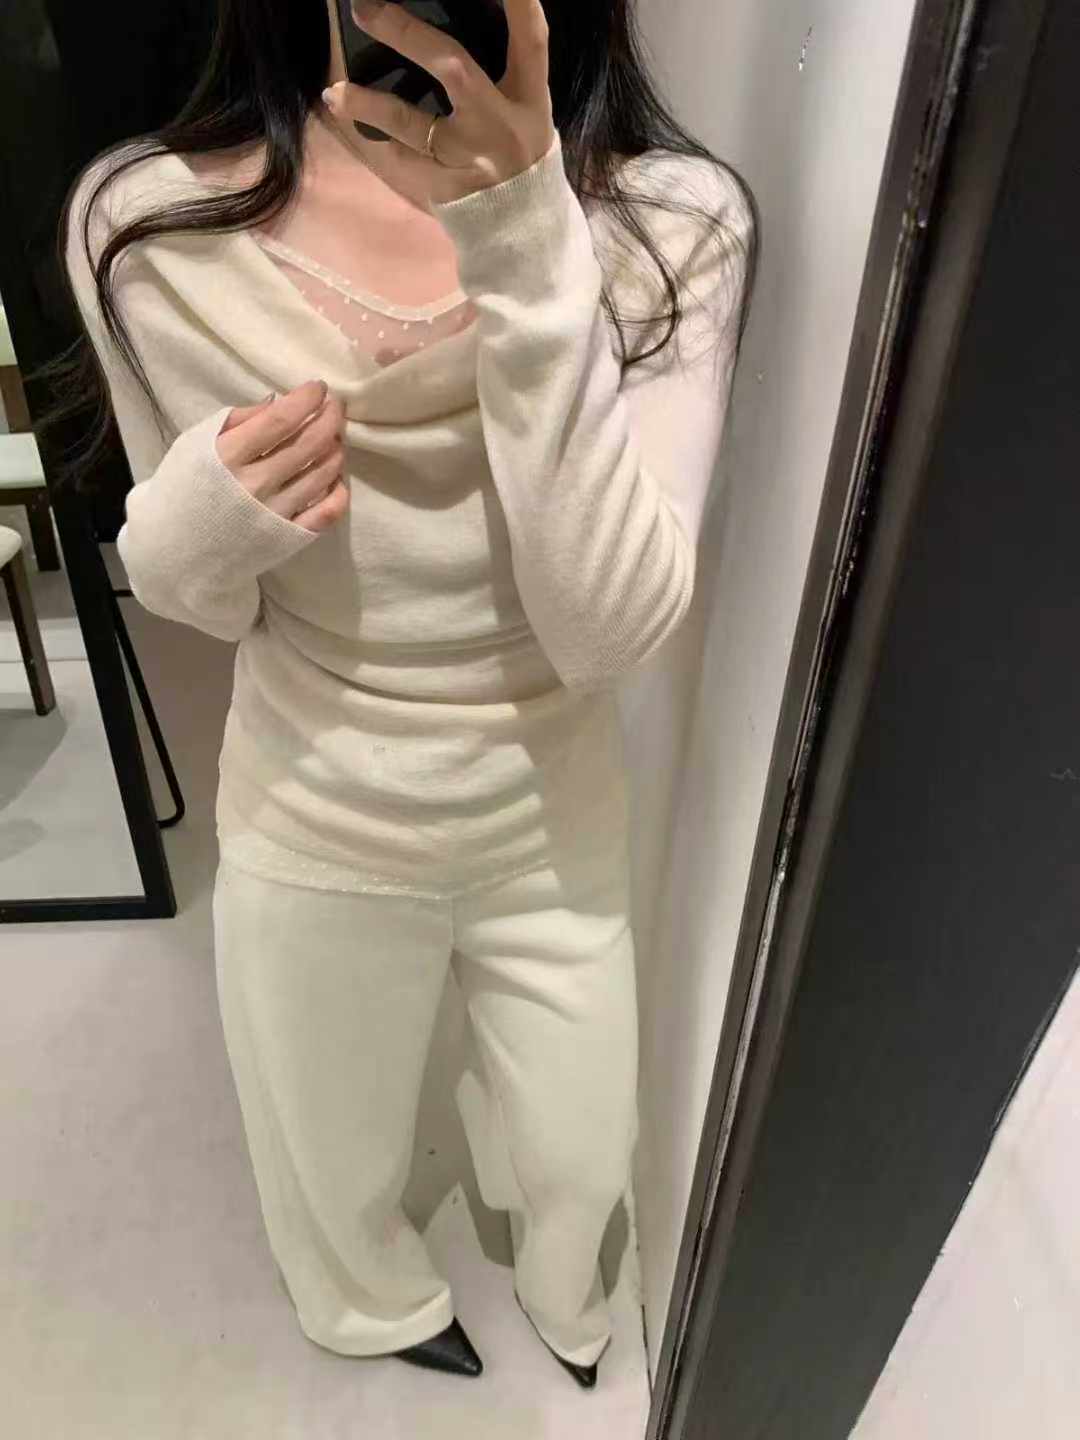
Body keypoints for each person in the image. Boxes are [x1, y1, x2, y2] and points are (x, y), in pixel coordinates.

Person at [51, 0, 755, 1392]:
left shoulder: (672, 224)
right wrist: (197, 524)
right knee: (327, 1143)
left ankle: (568, 1299)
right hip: (314, 805)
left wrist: (529, 246)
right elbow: (200, 601)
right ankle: (365, 1304)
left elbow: (607, 632)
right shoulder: (149, 223)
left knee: (579, 1150)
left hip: (549, 813)